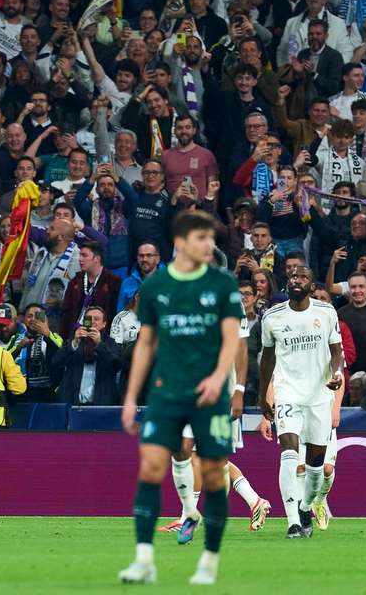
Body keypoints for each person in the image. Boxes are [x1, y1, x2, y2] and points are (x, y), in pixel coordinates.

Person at [120, 211, 243, 586]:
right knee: (152, 468)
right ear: (181, 243)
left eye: (211, 239)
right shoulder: (157, 287)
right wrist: (130, 398)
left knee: (212, 474)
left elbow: (232, 340)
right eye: (202, 238)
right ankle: (143, 560)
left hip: (210, 396)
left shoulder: (222, 285)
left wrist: (222, 380)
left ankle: (209, 561)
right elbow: (146, 344)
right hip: (166, 393)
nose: (209, 245)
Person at [258, 266, 343, 539]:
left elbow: (336, 350)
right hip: (288, 394)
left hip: (319, 396)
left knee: (316, 467)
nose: (297, 280)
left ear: (311, 283)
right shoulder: (272, 317)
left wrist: (337, 373)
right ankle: (293, 522)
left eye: (303, 277)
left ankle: (307, 507)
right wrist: (262, 396)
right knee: (289, 452)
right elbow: (267, 359)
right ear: (287, 282)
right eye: (293, 276)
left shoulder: (326, 312)